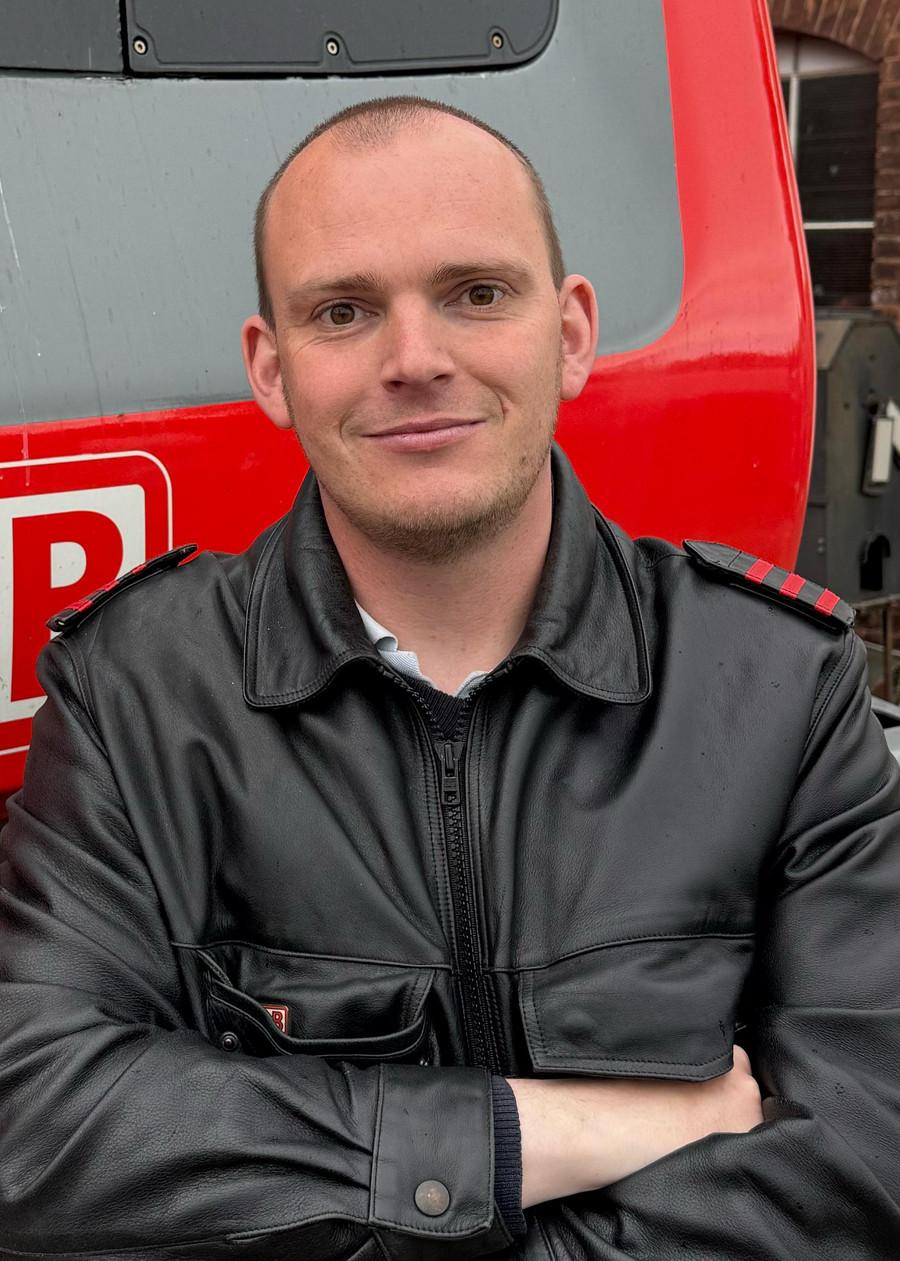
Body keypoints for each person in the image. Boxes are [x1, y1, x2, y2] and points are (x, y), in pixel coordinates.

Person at [1, 95, 898, 1260]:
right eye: (344, 311)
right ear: (271, 368)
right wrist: (524, 1135)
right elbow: (39, 1131)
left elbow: (863, 1158)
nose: (415, 360)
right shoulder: (131, 694)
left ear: (570, 334)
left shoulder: (780, 687)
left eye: (477, 293)